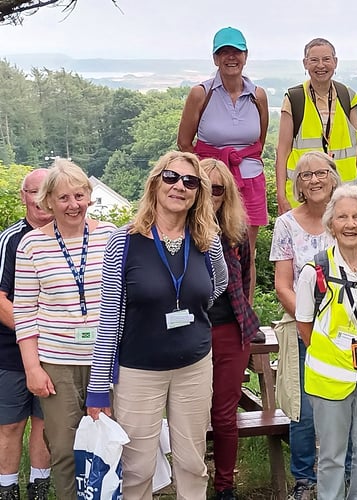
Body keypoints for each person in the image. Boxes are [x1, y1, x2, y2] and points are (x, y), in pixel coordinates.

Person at [86, 151, 228, 500]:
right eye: (171, 177)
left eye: (190, 182)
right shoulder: (124, 241)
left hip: (194, 368)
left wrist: (186, 309)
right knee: (137, 467)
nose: (179, 186)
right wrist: (98, 388)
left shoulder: (207, 241)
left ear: (198, 194)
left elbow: (218, 285)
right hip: (139, 371)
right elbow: (110, 319)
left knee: (193, 463)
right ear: (155, 183)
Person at [14, 160, 117, 500]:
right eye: (63, 198)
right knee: (63, 447)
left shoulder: (111, 236)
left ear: (90, 196)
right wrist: (32, 367)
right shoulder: (31, 246)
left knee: (111, 443)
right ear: (48, 202)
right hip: (57, 363)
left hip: (108, 359)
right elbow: (25, 311)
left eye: (79, 195)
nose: (73, 205)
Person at [295, 185, 357, 500]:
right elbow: (304, 325)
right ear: (331, 224)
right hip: (329, 380)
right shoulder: (315, 270)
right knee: (331, 456)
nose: (350, 224)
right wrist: (335, 355)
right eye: (342, 217)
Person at [178, 26, 269, 304]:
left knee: (246, 251)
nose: (231, 58)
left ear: (246, 55)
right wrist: (206, 173)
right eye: (224, 52)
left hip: (248, 179)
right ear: (215, 58)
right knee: (202, 242)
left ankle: (246, 312)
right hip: (209, 183)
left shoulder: (258, 95)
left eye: (236, 52)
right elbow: (184, 142)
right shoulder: (200, 94)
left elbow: (259, 143)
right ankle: (204, 308)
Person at [269, 151, 341, 500]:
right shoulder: (286, 224)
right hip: (303, 327)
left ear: (333, 176)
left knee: (344, 403)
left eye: (320, 173)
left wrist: (336, 323)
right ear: (297, 184)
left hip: (345, 328)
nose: (314, 180)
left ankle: (342, 473)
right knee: (305, 409)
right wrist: (309, 321)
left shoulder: (345, 215)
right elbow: (282, 284)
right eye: (305, 175)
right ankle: (304, 480)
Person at [201, 158, 264, 500]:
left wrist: (246, 315)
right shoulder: (176, 232)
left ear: (227, 195)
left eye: (217, 189)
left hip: (230, 330)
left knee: (224, 414)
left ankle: (224, 486)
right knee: (191, 414)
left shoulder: (236, 233)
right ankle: (192, 481)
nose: (209, 196)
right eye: (202, 186)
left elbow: (245, 278)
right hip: (190, 333)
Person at [0, 170, 52, 500]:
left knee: (45, 424)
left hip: (55, 351)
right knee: (10, 425)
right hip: (10, 351)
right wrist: (31, 334)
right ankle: (6, 489)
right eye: (35, 192)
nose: (42, 199)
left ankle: (39, 486)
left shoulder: (67, 237)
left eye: (49, 191)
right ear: (24, 197)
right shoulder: (11, 239)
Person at [275, 38, 357, 214]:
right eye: (314, 60)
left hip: (344, 192)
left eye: (326, 59)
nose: (321, 65)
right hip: (305, 191)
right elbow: (283, 149)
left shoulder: (348, 97)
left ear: (335, 62)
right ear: (305, 63)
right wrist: (281, 195)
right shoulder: (295, 99)